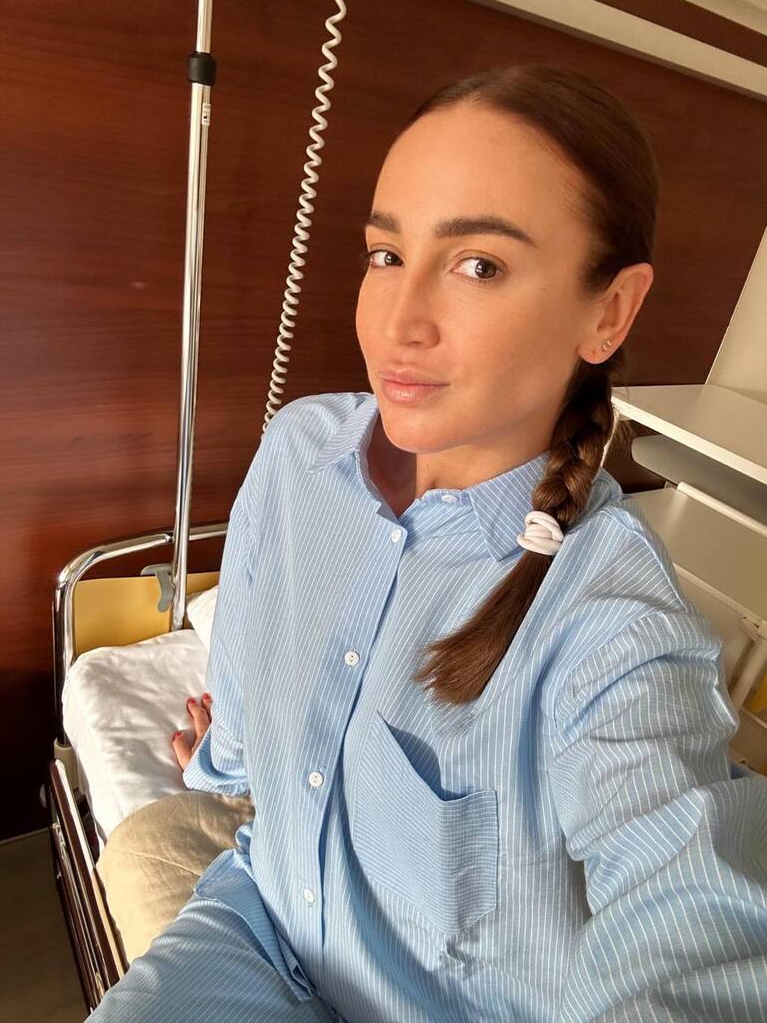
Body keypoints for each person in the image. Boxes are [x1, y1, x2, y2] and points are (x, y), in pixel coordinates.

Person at [89, 63, 767, 1022]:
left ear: (609, 311)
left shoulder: (616, 626)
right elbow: (240, 715)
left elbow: (695, 916)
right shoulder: (297, 457)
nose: (398, 323)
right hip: (261, 923)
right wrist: (228, 758)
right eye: (385, 254)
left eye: (479, 265)